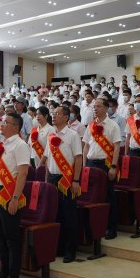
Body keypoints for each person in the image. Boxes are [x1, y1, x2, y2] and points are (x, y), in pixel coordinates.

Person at [0, 113, 30, 278]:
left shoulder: (20, 145)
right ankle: (3, 272)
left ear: (16, 127)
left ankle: (13, 277)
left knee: (12, 237)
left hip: (9, 194)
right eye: (2, 121)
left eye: (5, 122)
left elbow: (23, 173)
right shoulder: (2, 144)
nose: (1, 124)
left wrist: (15, 198)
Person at [41, 105, 82, 262]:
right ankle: (58, 247)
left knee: (68, 214)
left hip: (67, 179)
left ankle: (70, 250)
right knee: (55, 214)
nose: (54, 115)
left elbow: (78, 158)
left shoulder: (73, 135)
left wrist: (76, 180)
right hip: (52, 178)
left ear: (66, 117)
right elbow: (48, 159)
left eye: (57, 113)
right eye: (53, 113)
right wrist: (46, 180)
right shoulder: (51, 135)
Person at [83, 97, 121, 239]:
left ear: (106, 108)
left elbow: (116, 147)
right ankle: (95, 228)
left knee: (108, 196)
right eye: (94, 106)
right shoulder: (91, 125)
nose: (95, 108)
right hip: (91, 164)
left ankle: (111, 228)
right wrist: (84, 166)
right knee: (93, 196)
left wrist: (113, 167)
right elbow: (86, 146)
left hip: (105, 164)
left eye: (98, 106)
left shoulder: (113, 125)